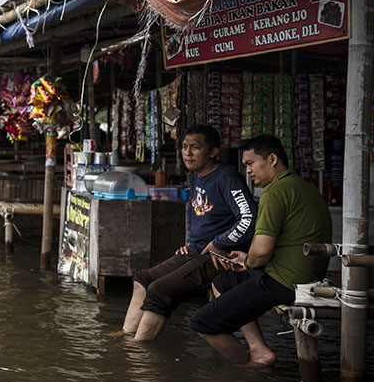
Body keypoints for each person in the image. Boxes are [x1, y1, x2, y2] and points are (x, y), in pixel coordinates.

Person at [191, 134, 332, 365]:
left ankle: (249, 372)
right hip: (308, 278)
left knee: (202, 323)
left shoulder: (274, 192)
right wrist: (248, 259)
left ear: (272, 159)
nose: (248, 171)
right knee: (222, 282)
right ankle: (259, 351)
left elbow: (263, 251)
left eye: (250, 163)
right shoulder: (304, 187)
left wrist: (248, 262)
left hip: (284, 284)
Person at [122, 124, 256, 340]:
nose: (187, 152)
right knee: (142, 279)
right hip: (195, 251)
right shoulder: (195, 176)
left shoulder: (228, 178)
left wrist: (221, 242)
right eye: (184, 147)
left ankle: (137, 352)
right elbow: (192, 210)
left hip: (217, 257)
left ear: (213, 152)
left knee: (159, 289)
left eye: (195, 147)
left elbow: (249, 219)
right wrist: (189, 240)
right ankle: (127, 336)